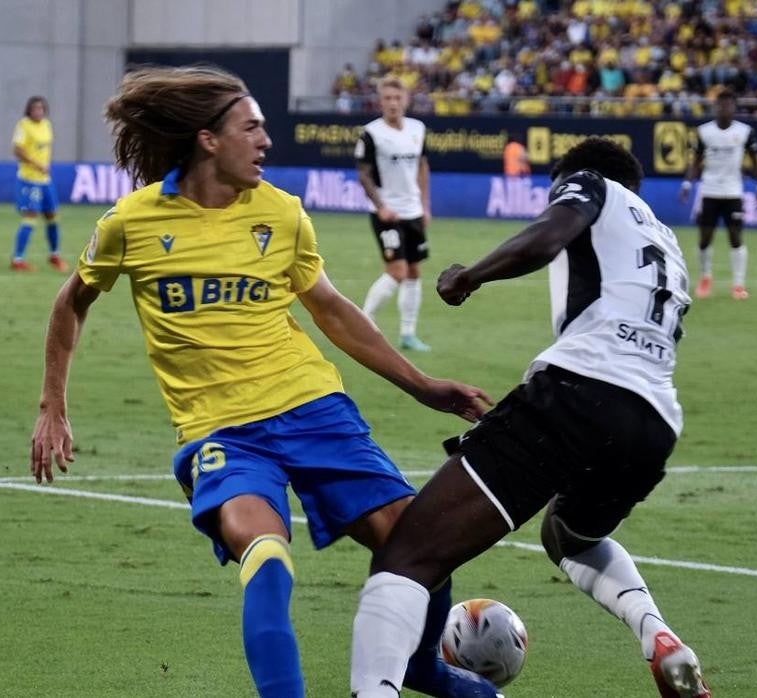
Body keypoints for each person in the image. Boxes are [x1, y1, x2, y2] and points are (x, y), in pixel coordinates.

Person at [29, 65, 499, 698]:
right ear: (208, 140)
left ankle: (419, 667)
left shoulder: (282, 214)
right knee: (267, 557)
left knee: (422, 542)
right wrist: (52, 405)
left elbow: (330, 308)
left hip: (313, 408)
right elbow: (71, 303)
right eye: (251, 128)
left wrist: (420, 384)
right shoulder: (132, 223)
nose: (266, 141)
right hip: (221, 432)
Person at [350, 137, 711, 698]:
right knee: (569, 536)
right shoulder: (664, 238)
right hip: (654, 423)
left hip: (578, 393)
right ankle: (657, 633)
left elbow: (548, 236)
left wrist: (469, 276)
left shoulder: (591, 183)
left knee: (407, 555)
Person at [356, 77, 434, 352]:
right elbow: (363, 175)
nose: (392, 103)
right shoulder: (371, 133)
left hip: (413, 211)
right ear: (380, 101)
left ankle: (408, 334)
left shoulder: (417, 129)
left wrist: (425, 206)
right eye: (387, 98)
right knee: (397, 270)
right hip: (387, 214)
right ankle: (364, 322)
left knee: (414, 271)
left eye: (397, 98)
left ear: (406, 100)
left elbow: (423, 166)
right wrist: (381, 207)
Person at [679, 90, 757, 301]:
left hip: (733, 191)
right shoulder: (704, 132)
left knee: (736, 237)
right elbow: (696, 160)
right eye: (721, 105)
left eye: (728, 105)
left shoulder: (745, 131)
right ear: (716, 107)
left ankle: (738, 284)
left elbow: (756, 160)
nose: (724, 109)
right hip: (710, 191)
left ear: (734, 108)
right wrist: (687, 183)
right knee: (704, 238)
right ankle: (705, 278)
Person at [10, 96, 65, 272]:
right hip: (29, 179)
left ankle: (55, 255)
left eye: (41, 109)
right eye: (35, 109)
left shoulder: (47, 125)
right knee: (30, 217)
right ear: (29, 110)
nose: (38, 112)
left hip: (44, 180)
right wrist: (37, 164)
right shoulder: (24, 125)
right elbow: (17, 150)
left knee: (53, 216)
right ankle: (18, 259)